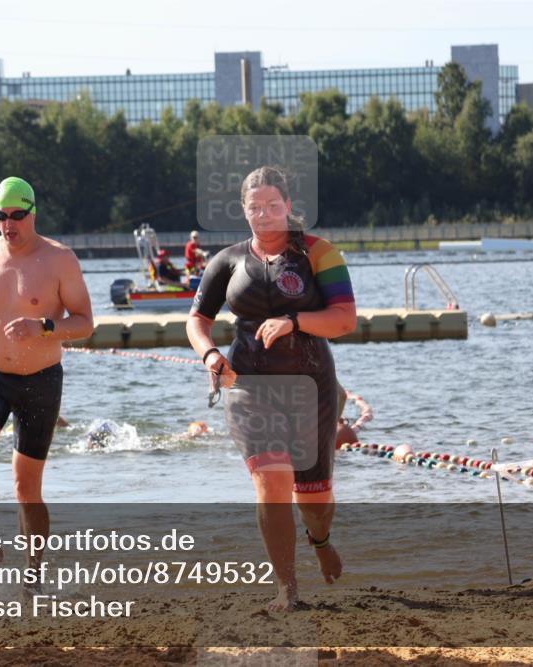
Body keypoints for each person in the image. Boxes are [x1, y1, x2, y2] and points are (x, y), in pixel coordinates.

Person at [186, 165, 357, 611]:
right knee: (272, 481)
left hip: (311, 386)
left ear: (288, 206)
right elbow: (197, 320)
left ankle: (319, 541)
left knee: (314, 500)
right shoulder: (226, 261)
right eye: (254, 207)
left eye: (272, 205)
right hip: (248, 386)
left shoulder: (319, 253)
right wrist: (209, 354)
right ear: (243, 211)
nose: (263, 215)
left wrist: (294, 321)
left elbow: (344, 319)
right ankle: (287, 588)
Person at [0, 176, 94, 593]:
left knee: (26, 488)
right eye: (1, 216)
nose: (8, 225)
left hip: (41, 380)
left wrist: (43, 326)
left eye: (16, 216)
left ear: (33, 213)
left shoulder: (60, 260)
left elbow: (85, 323)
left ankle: (33, 570)